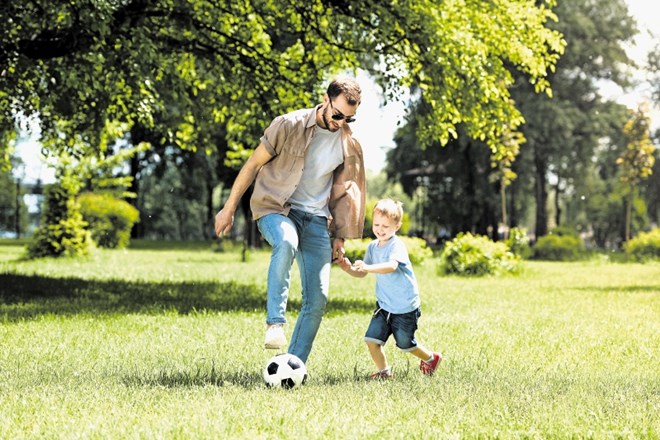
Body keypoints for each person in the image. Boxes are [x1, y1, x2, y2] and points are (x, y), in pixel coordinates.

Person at [214, 77, 366, 364]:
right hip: (277, 208)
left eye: (349, 117)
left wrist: (340, 237)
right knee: (286, 242)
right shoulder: (288, 124)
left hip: (317, 220)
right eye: (337, 115)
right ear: (325, 99)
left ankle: (293, 366)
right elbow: (253, 164)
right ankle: (275, 323)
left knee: (318, 298)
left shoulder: (350, 144)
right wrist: (229, 207)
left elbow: (346, 193)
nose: (340, 122)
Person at [337, 199, 442, 378]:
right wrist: (348, 269)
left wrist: (368, 268)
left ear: (397, 226)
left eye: (386, 225)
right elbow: (362, 273)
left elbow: (391, 266)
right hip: (384, 305)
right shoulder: (372, 247)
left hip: (405, 307)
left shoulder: (396, 245)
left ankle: (431, 358)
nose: (380, 229)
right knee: (371, 340)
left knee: (405, 344)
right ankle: (384, 372)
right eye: (377, 224)